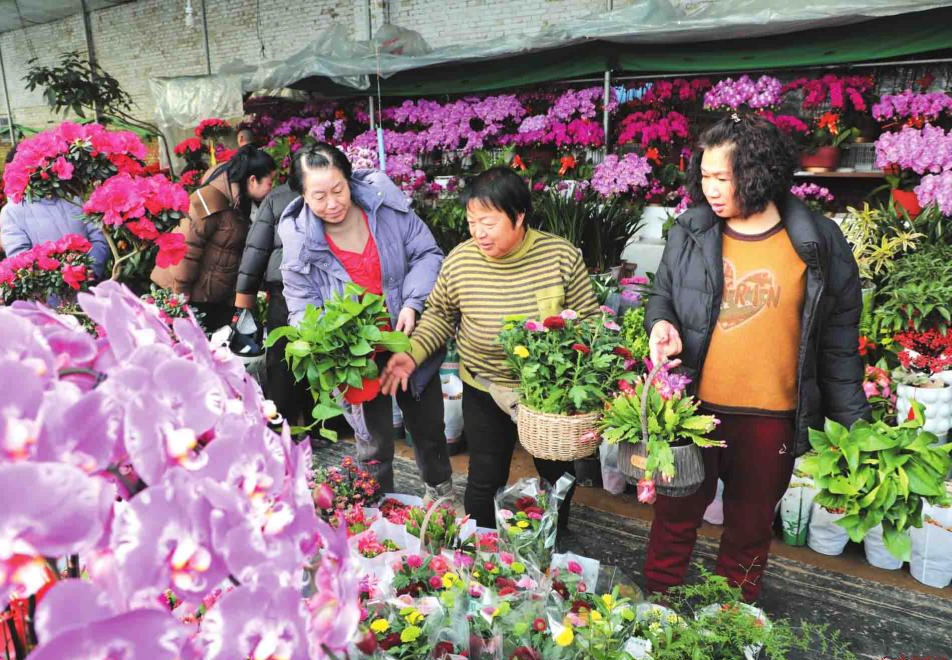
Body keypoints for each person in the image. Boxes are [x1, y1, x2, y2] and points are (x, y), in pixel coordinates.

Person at [643, 113, 870, 602]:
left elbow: (838, 344)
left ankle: (732, 618)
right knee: (674, 515)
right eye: (704, 176)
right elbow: (662, 296)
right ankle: (658, 605)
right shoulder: (692, 230)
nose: (710, 189)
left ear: (758, 173)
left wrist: (859, 433)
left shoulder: (817, 242)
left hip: (771, 418)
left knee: (749, 528)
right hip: (693, 410)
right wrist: (660, 324)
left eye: (723, 178)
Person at [381, 167, 599, 530]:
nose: (478, 233)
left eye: (488, 222)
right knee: (484, 475)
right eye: (472, 222)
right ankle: (481, 544)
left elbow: (589, 321)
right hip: (485, 385)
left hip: (546, 394)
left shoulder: (559, 256)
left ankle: (550, 540)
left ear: (519, 216)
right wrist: (412, 353)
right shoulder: (460, 261)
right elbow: (440, 316)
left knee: (556, 474)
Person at [277, 142, 453, 498]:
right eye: (319, 196)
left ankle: (440, 495)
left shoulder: (386, 209)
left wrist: (413, 303)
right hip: (357, 359)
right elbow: (300, 307)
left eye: (338, 190)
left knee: (428, 429)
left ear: (350, 180)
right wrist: (329, 341)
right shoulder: (299, 242)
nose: (332, 203)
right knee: (372, 443)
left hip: (410, 341)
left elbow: (427, 254)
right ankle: (375, 507)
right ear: (303, 196)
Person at [151, 144, 275, 331]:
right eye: (270, 183)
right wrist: (180, 298)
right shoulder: (209, 201)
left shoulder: (240, 201)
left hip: (214, 295)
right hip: (192, 295)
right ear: (252, 180)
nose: (272, 189)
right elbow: (185, 249)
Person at [234, 177, 314, 428]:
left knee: (282, 355)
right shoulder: (336, 191)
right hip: (314, 285)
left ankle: (282, 420)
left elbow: (255, 249)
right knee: (316, 353)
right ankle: (323, 424)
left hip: (284, 287)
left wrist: (245, 296)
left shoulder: (277, 197)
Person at [0, 146, 110, 278]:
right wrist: (66, 277)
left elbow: (98, 237)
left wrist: (90, 269)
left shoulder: (72, 196)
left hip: (90, 283)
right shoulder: (11, 212)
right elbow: (20, 260)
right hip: (51, 289)